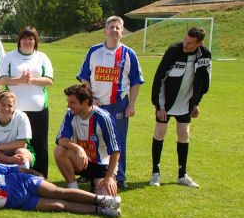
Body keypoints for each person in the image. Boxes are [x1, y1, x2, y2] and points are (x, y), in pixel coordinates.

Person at [0, 144, 121, 217]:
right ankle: (103, 210)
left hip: (21, 182)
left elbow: (11, 168)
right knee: (59, 205)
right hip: (14, 201)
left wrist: (32, 172)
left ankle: (104, 200)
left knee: (59, 192)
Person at [77, 16, 144, 188]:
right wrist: (90, 99)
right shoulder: (93, 51)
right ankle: (89, 173)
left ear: (122, 32)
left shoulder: (129, 54)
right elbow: (84, 77)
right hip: (95, 104)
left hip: (118, 105)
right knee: (92, 139)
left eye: (117, 28)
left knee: (118, 141)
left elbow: (135, 81)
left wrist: (131, 104)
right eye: (111, 27)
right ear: (105, 31)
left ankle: (119, 177)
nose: (114, 30)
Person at [149, 26, 211, 188]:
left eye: (190, 43)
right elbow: (159, 78)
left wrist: (196, 103)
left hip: (186, 103)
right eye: (185, 40)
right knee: (159, 133)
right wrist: (159, 106)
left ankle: (182, 175)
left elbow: (204, 81)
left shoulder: (205, 55)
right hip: (166, 103)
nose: (185, 44)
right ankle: (155, 174)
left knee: (184, 134)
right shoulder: (174, 50)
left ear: (199, 44)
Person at [0, 26, 53, 178]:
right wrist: (20, 80)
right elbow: (2, 79)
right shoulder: (9, 57)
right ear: (19, 40)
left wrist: (32, 80)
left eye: (31, 38)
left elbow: (49, 80)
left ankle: (41, 177)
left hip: (38, 109)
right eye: (24, 38)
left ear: (35, 41)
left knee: (40, 144)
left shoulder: (42, 57)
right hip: (15, 110)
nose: (27, 41)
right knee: (18, 145)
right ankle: (18, 175)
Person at [54, 84, 121, 196]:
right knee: (59, 151)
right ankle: (74, 191)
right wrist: (79, 149)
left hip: (102, 166)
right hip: (82, 162)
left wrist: (109, 177)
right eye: (68, 102)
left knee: (105, 198)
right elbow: (61, 139)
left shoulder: (103, 118)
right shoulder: (70, 114)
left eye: (72, 102)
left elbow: (115, 150)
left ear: (85, 102)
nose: (68, 106)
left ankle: (98, 184)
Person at [0, 92, 35, 171]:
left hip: (22, 150)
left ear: (14, 107)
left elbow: (21, 143)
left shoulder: (21, 117)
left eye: (10, 106)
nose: (6, 108)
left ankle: (22, 177)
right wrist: (10, 159)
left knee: (20, 153)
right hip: (1, 155)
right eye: (3, 105)